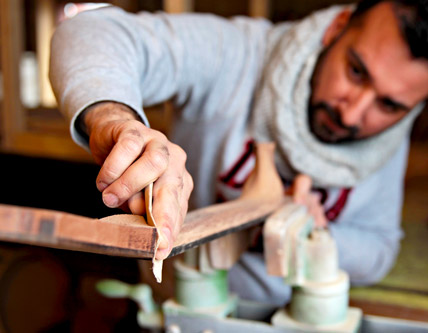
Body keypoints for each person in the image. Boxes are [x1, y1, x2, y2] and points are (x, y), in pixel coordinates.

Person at [49, 0, 428, 305]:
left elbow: (379, 250)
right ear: (336, 27)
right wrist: (117, 121)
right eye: (356, 71)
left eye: (389, 106)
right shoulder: (239, 55)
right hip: (177, 305)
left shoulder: (388, 137)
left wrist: (315, 233)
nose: (352, 113)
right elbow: (89, 31)